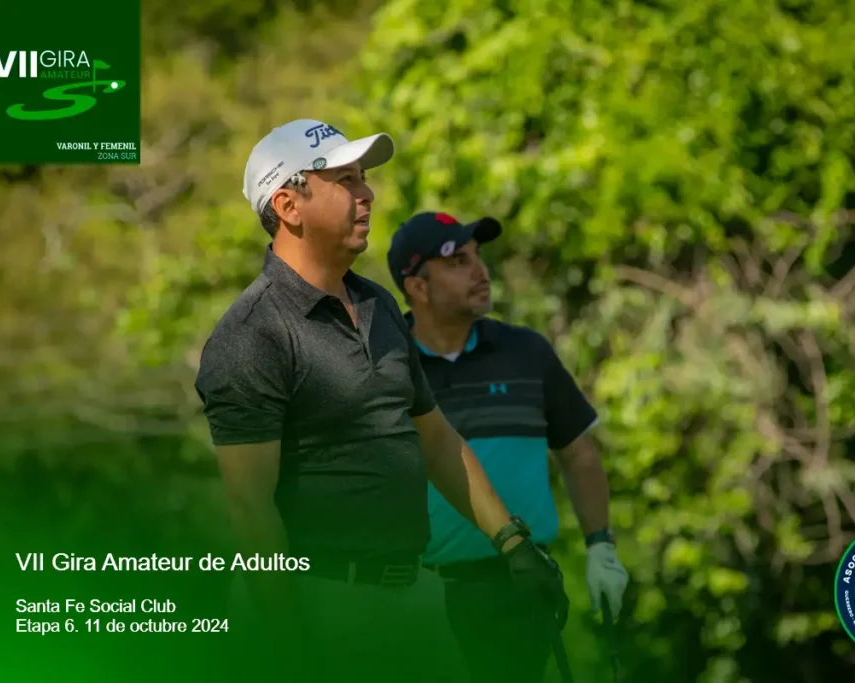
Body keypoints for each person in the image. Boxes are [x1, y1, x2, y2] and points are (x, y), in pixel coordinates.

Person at [193, 120, 568, 683]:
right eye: (345, 180)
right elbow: (251, 509)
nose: (367, 193)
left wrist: (513, 544)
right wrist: (289, 645)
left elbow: (435, 438)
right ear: (289, 206)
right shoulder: (253, 334)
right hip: (313, 601)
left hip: (411, 596)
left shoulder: (379, 305)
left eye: (363, 178)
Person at [386, 211, 630, 683]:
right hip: (421, 592)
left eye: (477, 256)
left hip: (521, 584)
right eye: (458, 262)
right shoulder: (387, 365)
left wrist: (601, 547)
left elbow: (578, 453)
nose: (480, 271)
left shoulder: (526, 352)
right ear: (417, 287)